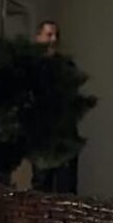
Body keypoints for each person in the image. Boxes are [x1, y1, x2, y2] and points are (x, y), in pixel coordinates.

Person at [32, 18, 79, 193]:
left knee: (67, 188)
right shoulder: (31, 67)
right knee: (41, 187)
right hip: (41, 137)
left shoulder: (67, 65)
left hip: (65, 135)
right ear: (38, 37)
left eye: (56, 35)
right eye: (49, 35)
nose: (53, 39)